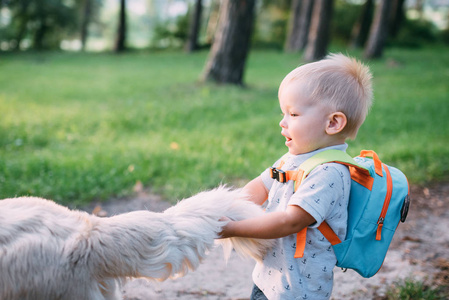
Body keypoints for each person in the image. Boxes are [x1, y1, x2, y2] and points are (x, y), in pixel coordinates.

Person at [220, 53, 373, 300]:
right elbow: (261, 185)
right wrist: (225, 207)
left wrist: (233, 228)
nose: (282, 122)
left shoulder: (329, 173)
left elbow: (289, 222)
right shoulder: (292, 159)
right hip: (269, 277)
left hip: (298, 290)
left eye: (293, 114)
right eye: (284, 113)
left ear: (333, 123)